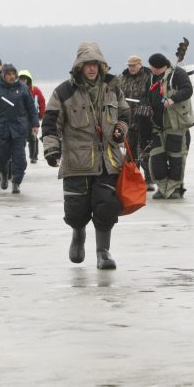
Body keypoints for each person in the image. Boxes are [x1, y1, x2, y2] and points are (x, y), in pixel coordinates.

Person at [42, 42, 130, 269]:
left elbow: (125, 114)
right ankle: (78, 234)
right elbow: (51, 123)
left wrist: (121, 128)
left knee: (106, 207)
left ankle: (103, 252)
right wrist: (51, 148)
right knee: (76, 210)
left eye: (95, 64)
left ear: (101, 66)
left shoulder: (113, 88)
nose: (91, 68)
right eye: (87, 64)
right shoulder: (64, 92)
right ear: (79, 66)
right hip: (76, 161)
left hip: (108, 161)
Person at [0, 63, 39, 194]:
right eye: (8, 74)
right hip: (1, 129)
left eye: (13, 74)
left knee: (20, 159)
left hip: (19, 129)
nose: (11, 77)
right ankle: (4, 175)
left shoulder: (23, 88)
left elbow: (31, 108)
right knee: (0, 157)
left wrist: (35, 124)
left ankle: (16, 183)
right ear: (3, 75)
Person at [142, 53, 194, 199]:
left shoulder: (177, 74)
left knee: (176, 158)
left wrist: (173, 99)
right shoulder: (152, 78)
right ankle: (162, 187)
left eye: (153, 67)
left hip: (175, 125)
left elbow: (187, 90)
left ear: (160, 67)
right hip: (156, 126)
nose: (151, 69)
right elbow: (145, 96)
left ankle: (176, 188)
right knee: (156, 159)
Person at [117, 55, 153, 190]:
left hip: (144, 119)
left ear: (140, 64)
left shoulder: (148, 77)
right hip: (128, 120)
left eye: (133, 65)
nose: (131, 68)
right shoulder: (122, 78)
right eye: (129, 66)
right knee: (130, 152)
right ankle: (133, 179)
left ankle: (149, 179)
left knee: (145, 151)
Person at [18, 69, 46, 163]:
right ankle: (20, 157)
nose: (23, 81)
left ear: (28, 80)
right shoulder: (15, 90)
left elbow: (42, 102)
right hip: (19, 118)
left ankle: (33, 157)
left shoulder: (35, 90)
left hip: (32, 118)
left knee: (33, 137)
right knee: (20, 138)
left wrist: (41, 114)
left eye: (25, 79)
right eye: (21, 79)